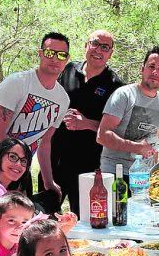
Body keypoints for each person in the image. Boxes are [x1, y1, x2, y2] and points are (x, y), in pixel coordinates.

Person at [0, 32, 71, 213]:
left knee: (21, 228)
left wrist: (48, 180)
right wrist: (7, 171)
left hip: (21, 168)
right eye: (49, 53)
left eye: (61, 55)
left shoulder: (62, 99)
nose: (55, 59)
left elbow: (44, 142)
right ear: (40, 54)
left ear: (67, 59)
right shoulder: (17, 83)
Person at [39, 29, 124, 215]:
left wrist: (86, 124)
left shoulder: (116, 86)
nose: (98, 50)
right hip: (54, 160)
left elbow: (119, 130)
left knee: (86, 218)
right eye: (94, 44)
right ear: (86, 45)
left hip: (89, 166)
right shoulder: (68, 69)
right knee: (44, 217)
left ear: (110, 53)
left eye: (105, 47)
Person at [0, 138, 77, 249]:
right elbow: (4, 236)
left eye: (24, 161)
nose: (19, 164)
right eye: (13, 157)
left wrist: (60, 226)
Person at [97, 46, 159, 178]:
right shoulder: (124, 95)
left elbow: (156, 141)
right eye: (151, 66)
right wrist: (135, 147)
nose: (155, 72)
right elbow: (102, 135)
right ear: (143, 69)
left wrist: (154, 172)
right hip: (116, 172)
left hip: (143, 176)